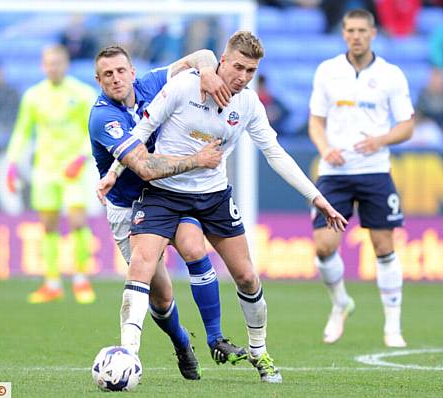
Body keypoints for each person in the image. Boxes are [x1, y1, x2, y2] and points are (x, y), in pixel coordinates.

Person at [99, 31, 347, 384]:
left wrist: (317, 198)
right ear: (223, 61)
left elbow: (275, 153)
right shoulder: (185, 86)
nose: (244, 77)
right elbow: (143, 128)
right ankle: (128, 354)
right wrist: (113, 172)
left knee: (246, 275)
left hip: (213, 197)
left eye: (251, 71)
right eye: (239, 68)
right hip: (163, 192)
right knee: (142, 263)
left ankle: (259, 352)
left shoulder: (249, 104)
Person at [89, 45, 246, 380]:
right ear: (98, 80)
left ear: (132, 71)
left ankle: (215, 337)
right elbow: (145, 167)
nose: (116, 79)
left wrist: (206, 71)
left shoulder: (152, 83)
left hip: (169, 194)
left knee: (193, 246)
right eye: (107, 75)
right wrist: (196, 160)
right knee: (161, 296)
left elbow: (201, 54)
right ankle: (180, 341)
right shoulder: (103, 118)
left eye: (120, 71)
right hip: (129, 207)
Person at [308, 9, 414, 348]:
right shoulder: (327, 71)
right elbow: (315, 121)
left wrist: (380, 140)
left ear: (373, 33)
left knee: (384, 247)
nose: (356, 36)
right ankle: (341, 303)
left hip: (375, 171)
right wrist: (325, 148)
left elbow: (406, 125)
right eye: (350, 30)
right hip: (335, 173)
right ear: (343, 33)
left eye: (362, 30)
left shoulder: (391, 75)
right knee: (323, 246)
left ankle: (393, 327)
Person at [6, 45, 97, 304]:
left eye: (57, 62)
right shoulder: (33, 96)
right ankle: (52, 283)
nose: (52, 67)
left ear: (66, 64)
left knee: (78, 221)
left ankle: (81, 280)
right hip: (45, 169)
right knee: (48, 225)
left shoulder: (82, 94)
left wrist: (81, 157)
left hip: (73, 169)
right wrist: (12, 162)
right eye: (48, 63)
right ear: (42, 66)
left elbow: (92, 130)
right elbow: (22, 132)